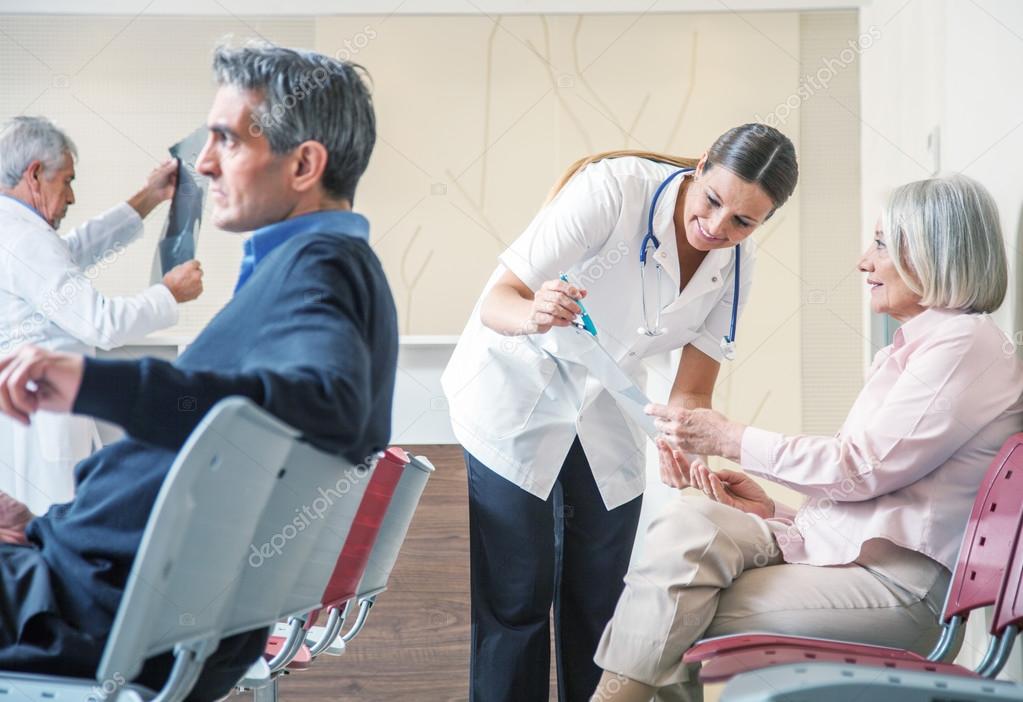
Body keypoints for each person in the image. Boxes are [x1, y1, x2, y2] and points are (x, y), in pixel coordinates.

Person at [0, 43, 396, 699]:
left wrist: (88, 380)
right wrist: (36, 527)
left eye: (224, 141)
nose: (204, 164)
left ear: (303, 164)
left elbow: (333, 402)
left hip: (84, 613)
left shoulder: (322, 268)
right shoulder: (308, 268)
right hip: (84, 587)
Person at [590, 174, 1023, 702]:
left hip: (900, 594)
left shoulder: (963, 344)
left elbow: (857, 467)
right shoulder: (928, 347)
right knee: (690, 522)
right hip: (860, 565)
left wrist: (730, 437)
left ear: (936, 251)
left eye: (882, 244)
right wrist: (773, 510)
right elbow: (875, 490)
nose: (865, 261)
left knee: (670, 605)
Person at [442, 125, 799, 700]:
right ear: (701, 164)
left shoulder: (734, 265)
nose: (716, 228)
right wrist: (536, 311)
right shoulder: (614, 188)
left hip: (608, 410)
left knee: (602, 600)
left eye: (743, 222)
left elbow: (692, 394)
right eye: (713, 200)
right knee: (517, 598)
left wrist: (688, 456)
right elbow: (498, 300)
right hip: (517, 392)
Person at [0, 115, 204, 513]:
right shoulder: (23, 238)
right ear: (36, 174)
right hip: (40, 431)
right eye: (68, 180)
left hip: (34, 421)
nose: (72, 197)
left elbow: (72, 252)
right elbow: (102, 323)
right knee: (50, 539)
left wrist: (148, 197)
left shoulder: (16, 230)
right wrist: (168, 295)